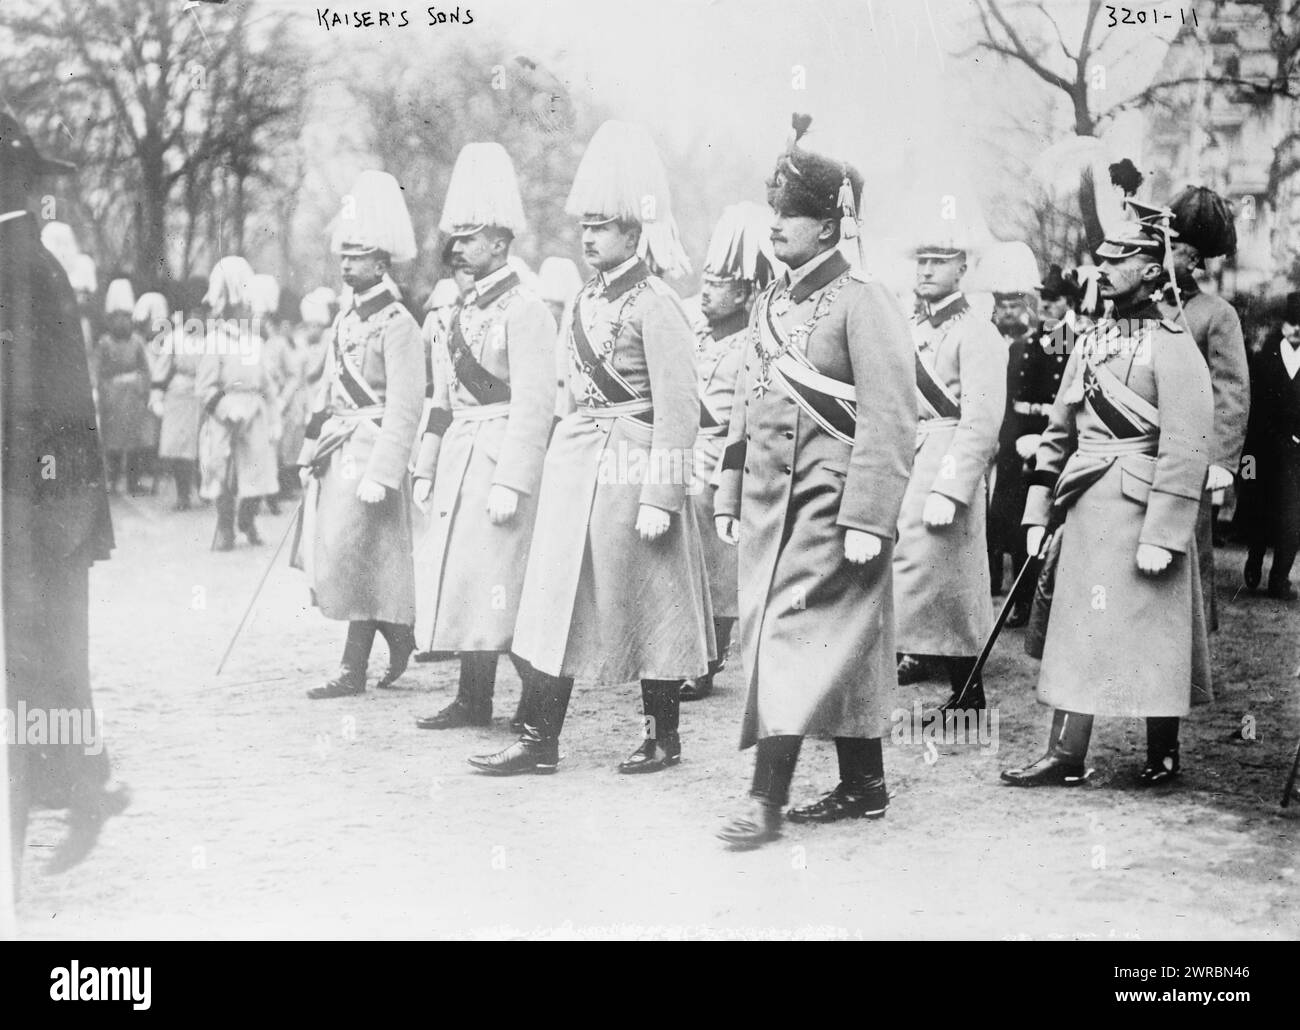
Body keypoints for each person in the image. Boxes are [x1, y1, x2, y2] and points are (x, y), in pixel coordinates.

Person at [468, 120, 712, 776]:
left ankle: (663, 735)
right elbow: (571, 394)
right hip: (579, 465)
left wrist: (664, 492)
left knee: (653, 597)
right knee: (554, 602)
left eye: (602, 225)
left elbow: (679, 409)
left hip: (634, 466)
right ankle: (538, 738)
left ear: (634, 231)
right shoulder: (579, 299)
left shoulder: (657, 303)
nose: (588, 235)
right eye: (585, 225)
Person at [712, 116, 917, 848]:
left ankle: (764, 801)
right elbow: (743, 408)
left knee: (789, 643)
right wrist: (730, 494)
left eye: (790, 215)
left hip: (834, 508)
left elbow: (893, 419)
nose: (775, 227)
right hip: (770, 510)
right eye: (772, 213)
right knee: (836, 645)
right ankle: (864, 783)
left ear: (830, 227)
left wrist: (869, 515)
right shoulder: (767, 307)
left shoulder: (866, 301)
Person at [1002, 201, 1213, 788]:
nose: (1103, 268)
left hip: (1145, 511)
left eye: (1119, 259)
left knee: (1156, 634)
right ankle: (1065, 754)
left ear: (1151, 270)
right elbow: (1059, 432)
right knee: (1078, 631)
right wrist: (1037, 508)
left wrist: (1166, 533)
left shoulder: (1173, 342)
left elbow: (1187, 441)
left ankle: (1163, 754)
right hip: (1086, 502)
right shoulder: (1091, 340)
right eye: (1103, 259)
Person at [0, 113, 126, 876]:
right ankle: (74, 780)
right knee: (44, 654)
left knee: (38, 654)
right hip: (46, 500)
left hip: (36, 503)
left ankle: (78, 786)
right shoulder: (28, 259)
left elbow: (34, 404)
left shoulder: (17, 264)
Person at [409, 142, 557, 729]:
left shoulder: (527, 311)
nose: (459, 247)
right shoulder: (456, 315)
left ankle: (534, 715)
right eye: (458, 236)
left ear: (500, 242)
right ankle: (473, 698)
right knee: (471, 579)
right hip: (459, 460)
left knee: (507, 587)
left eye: (471, 236)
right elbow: (440, 404)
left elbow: (535, 405)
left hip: (500, 460)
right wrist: (424, 464)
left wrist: (513, 479)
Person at [293, 170, 426, 698]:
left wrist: (385, 470)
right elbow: (326, 390)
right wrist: (309, 447)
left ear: (382, 261)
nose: (347, 263)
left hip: (372, 455)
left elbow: (406, 406)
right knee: (340, 555)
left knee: (361, 555)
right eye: (343, 254)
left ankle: (354, 666)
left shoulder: (399, 324)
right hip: (338, 449)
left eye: (358, 254)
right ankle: (398, 634)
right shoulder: (344, 320)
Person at [892, 205, 1007, 710]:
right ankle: (910, 658)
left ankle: (967, 689)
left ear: (963, 267)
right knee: (902, 570)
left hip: (945, 461)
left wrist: (951, 486)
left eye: (939, 261)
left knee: (951, 577)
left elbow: (980, 423)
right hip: (906, 455)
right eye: (921, 260)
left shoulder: (977, 331)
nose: (926, 270)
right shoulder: (907, 325)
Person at [681, 201, 779, 703]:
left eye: (719, 282)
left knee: (717, 568)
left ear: (744, 293)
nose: (707, 289)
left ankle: (710, 658)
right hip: (685, 457)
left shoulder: (752, 344)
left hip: (721, 462)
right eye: (707, 278)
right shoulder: (695, 334)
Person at [1160, 185, 1249, 627]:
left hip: (1190, 458)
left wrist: (1222, 460)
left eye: (1172, 247)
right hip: (1142, 452)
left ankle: (1188, 647)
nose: (1161, 253)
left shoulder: (1217, 314)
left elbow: (1231, 390)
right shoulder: (1142, 309)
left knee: (1186, 553)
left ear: (1193, 260)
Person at [988, 256, 1078, 627]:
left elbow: (1065, 403)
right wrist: (1008, 442)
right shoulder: (1025, 343)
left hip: (1052, 441)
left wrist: (1041, 441)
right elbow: (1010, 399)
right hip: (1016, 439)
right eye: (1043, 298)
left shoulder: (1070, 343)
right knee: (1010, 522)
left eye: (1055, 299)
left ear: (1068, 303)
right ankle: (1021, 602)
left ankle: (1043, 602)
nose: (1046, 304)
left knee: (1044, 522)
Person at [196, 257, 280, 550]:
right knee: (224, 474)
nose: (244, 310)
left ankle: (248, 519)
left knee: (258, 471)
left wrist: (274, 419)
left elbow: (268, 386)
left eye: (246, 305)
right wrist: (224, 409)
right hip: (226, 415)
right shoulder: (216, 340)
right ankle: (224, 526)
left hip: (255, 413)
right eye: (238, 306)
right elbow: (205, 388)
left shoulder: (256, 342)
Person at [984, 241, 1041, 616]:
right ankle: (988, 586)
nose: (1007, 312)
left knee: (1023, 518)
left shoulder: (1049, 339)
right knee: (989, 517)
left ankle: (1021, 600)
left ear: (1025, 306)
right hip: (991, 438)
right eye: (1001, 305)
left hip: (1025, 440)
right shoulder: (982, 335)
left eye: (1014, 305)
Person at [1240, 293, 1300, 599]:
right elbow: (1252, 404)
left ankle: (1280, 577)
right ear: (1283, 325)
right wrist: (1249, 453)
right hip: (1263, 450)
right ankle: (1254, 557)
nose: (1297, 330)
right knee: (1260, 509)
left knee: (1293, 515)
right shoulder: (1264, 358)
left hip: (1296, 453)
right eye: (1292, 323)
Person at [93, 278, 152, 495]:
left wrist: (142, 389)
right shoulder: (104, 343)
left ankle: (133, 482)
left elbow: (146, 370)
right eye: (118, 318)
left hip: (133, 398)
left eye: (126, 317)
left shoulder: (137, 342)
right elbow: (97, 372)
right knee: (113, 443)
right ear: (111, 320)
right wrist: (104, 393)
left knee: (134, 443)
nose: (122, 323)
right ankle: (112, 480)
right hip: (113, 398)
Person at [148, 292, 203, 511]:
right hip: (180, 393)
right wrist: (157, 396)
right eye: (193, 313)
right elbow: (161, 369)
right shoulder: (175, 337)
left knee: (204, 447)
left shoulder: (214, 339)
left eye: (202, 314)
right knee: (180, 448)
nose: (197, 318)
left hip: (205, 392)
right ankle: (183, 495)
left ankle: (205, 489)